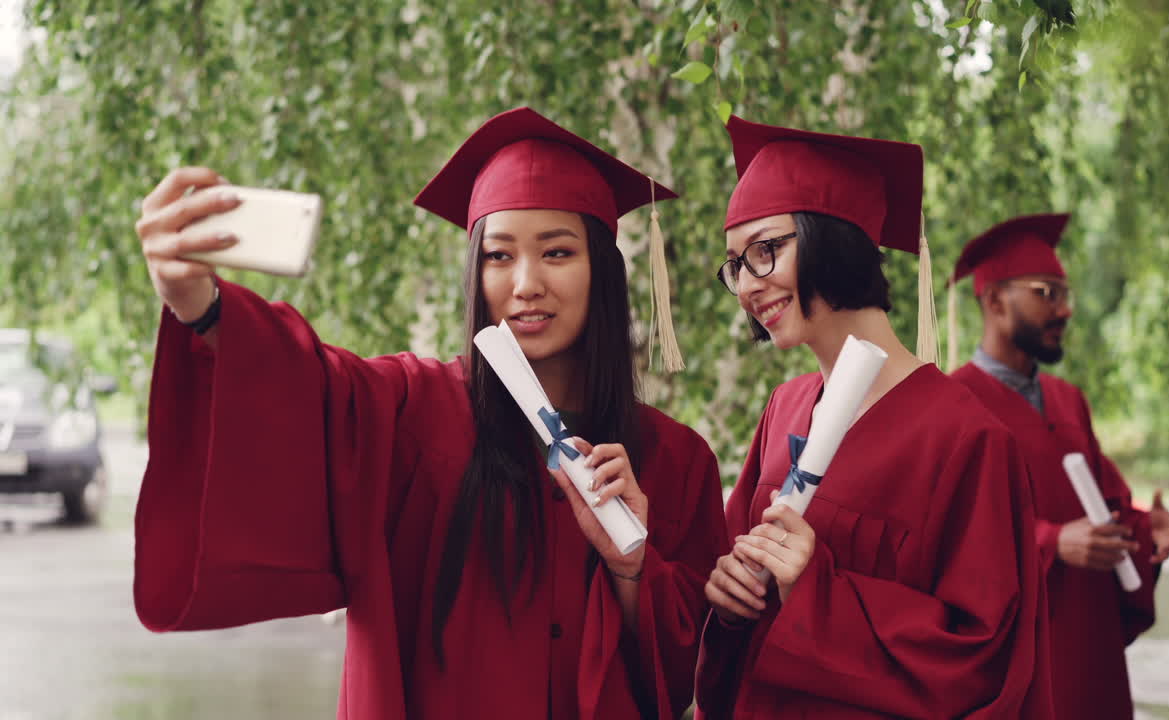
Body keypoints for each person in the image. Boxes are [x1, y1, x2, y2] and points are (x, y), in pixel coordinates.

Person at [131, 106, 728, 720]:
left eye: (556, 253)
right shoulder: (412, 411)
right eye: (498, 256)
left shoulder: (673, 460)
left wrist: (630, 566)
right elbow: (308, 390)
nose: (525, 283)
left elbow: (696, 675)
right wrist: (201, 308)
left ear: (601, 269)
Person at [694, 116, 1054, 719]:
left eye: (764, 251)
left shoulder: (965, 437)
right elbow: (737, 594)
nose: (748, 287)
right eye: (736, 265)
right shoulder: (782, 410)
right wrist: (730, 603)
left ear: (832, 236)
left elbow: (984, 652)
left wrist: (815, 593)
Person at [947, 213, 1169, 719]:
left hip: (1088, 642)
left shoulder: (1067, 399)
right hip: (1017, 658)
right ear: (993, 301)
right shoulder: (952, 403)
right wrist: (1052, 541)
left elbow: (1108, 506)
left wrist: (1149, 528)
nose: (1065, 309)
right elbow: (950, 537)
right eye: (1045, 292)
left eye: (1064, 294)